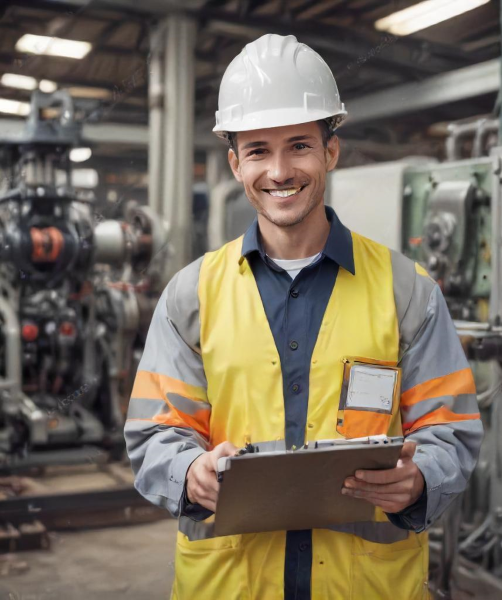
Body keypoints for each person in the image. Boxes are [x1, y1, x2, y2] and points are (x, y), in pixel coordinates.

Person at [125, 33, 483, 600]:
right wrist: (187, 473)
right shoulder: (192, 295)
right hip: (231, 585)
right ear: (235, 163)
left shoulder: (406, 291)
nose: (280, 171)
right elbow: (155, 433)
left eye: (299, 146)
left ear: (330, 152)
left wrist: (420, 479)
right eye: (259, 151)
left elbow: (452, 430)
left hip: (366, 585)